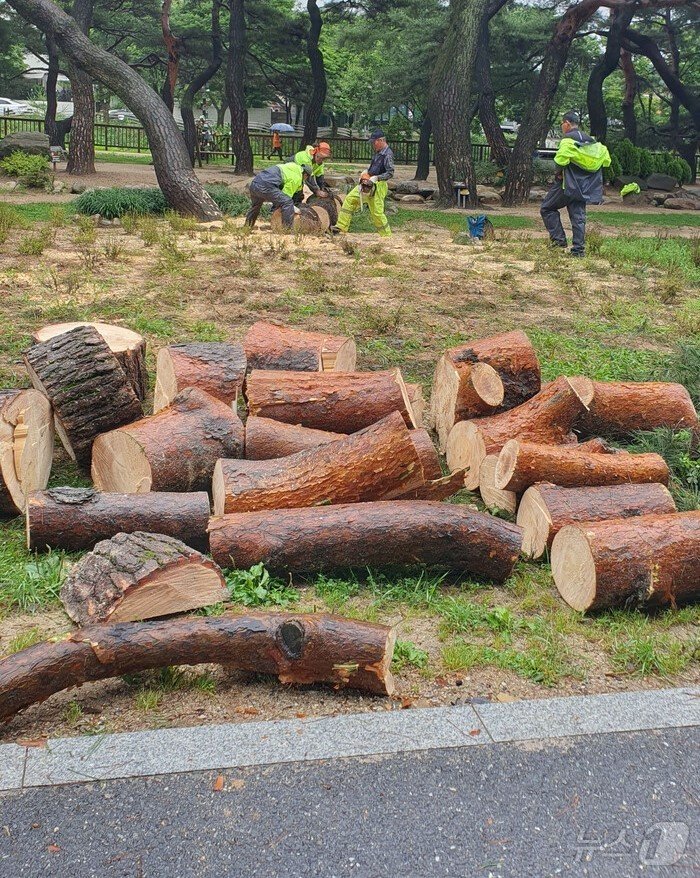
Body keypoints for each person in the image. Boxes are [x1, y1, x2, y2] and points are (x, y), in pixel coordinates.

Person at [540, 111, 611, 257]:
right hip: (584, 186)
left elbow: (560, 161)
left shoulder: (568, 140)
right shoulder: (592, 141)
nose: (562, 127)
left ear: (567, 123)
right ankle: (578, 250)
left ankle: (558, 241)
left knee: (547, 208)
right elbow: (605, 162)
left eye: (562, 124)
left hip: (567, 183)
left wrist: (558, 173)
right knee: (578, 217)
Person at [334, 129, 394, 237]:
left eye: (374, 142)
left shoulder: (387, 154)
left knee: (377, 213)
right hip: (367, 182)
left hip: (378, 186)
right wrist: (367, 172)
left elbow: (390, 173)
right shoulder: (378, 153)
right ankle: (341, 227)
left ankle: (386, 235)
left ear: (380, 140)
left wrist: (377, 178)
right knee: (350, 199)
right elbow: (373, 168)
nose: (372, 144)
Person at [244, 161, 325, 231]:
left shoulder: (292, 167)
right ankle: (287, 229)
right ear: (306, 175)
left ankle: (247, 226)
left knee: (256, 206)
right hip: (266, 186)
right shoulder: (296, 178)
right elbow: (286, 196)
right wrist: (293, 208)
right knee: (287, 202)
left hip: (255, 183)